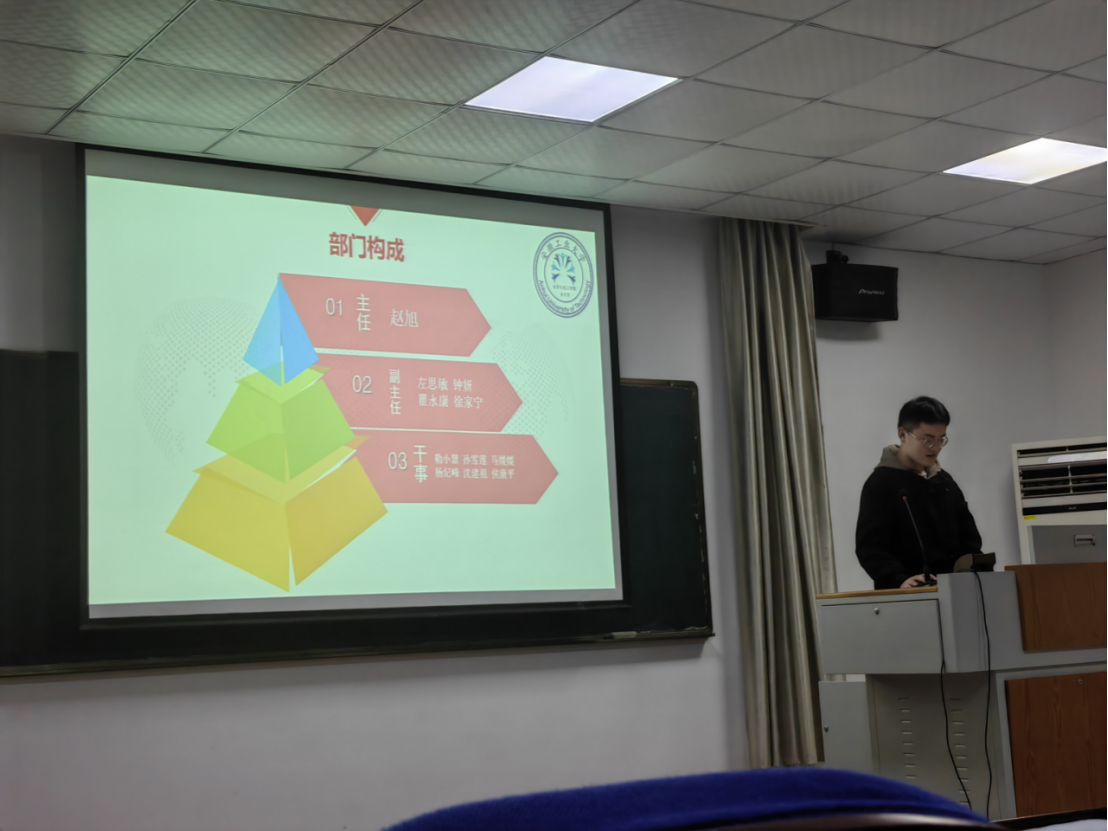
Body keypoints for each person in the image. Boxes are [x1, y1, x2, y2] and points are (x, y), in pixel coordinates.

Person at [855, 396, 982, 590]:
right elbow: (870, 548)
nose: (936, 448)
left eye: (941, 440)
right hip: (906, 595)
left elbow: (970, 539)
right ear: (902, 434)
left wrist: (973, 572)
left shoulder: (944, 482)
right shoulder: (881, 483)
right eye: (927, 440)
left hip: (954, 591)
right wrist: (899, 579)